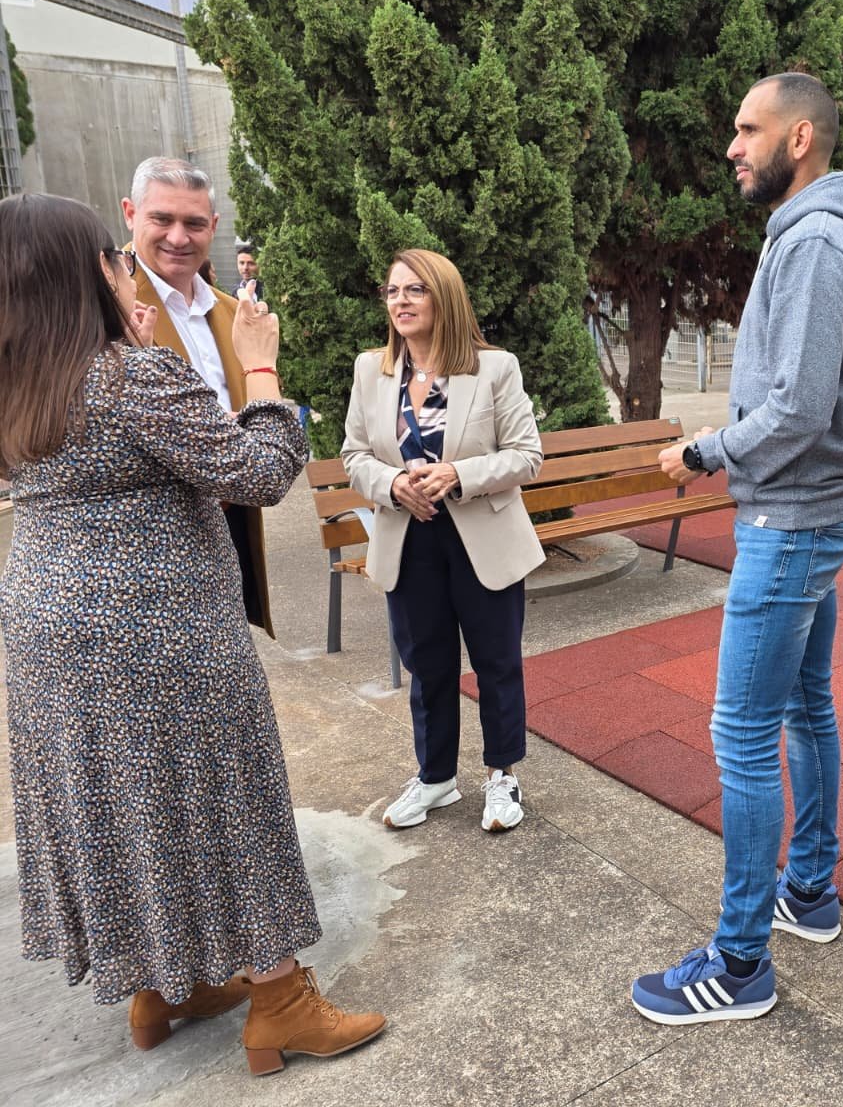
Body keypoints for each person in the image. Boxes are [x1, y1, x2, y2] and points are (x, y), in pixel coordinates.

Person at [0, 193, 384, 1073]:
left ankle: (161, 984)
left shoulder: (19, 376)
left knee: (121, 803)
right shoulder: (132, 377)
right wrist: (264, 373)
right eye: (111, 255)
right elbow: (257, 474)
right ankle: (280, 1001)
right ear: (88, 272)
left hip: (45, 626)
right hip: (157, 626)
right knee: (221, 794)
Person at [632, 72, 843, 1025]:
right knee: (805, 704)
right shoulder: (810, 234)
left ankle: (740, 962)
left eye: (748, 130)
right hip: (806, 510)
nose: (732, 147)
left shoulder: (817, 241)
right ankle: (808, 891)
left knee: (741, 732)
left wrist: (703, 451)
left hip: (789, 519)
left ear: (801, 140)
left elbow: (796, 409)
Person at [341, 249, 545, 834]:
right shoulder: (370, 370)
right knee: (426, 664)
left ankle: (502, 775)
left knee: (496, 662)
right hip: (410, 538)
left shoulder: (494, 368)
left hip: (482, 537)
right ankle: (436, 778)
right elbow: (354, 456)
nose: (400, 301)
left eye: (415, 290)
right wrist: (394, 482)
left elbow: (527, 455)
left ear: (444, 298)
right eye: (392, 291)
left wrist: (460, 474)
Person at [121, 156, 276, 636]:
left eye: (193, 223)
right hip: (147, 551)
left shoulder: (234, 313)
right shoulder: (108, 307)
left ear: (213, 226)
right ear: (130, 214)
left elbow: (263, 411)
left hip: (230, 525)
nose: (178, 237)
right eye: (161, 219)